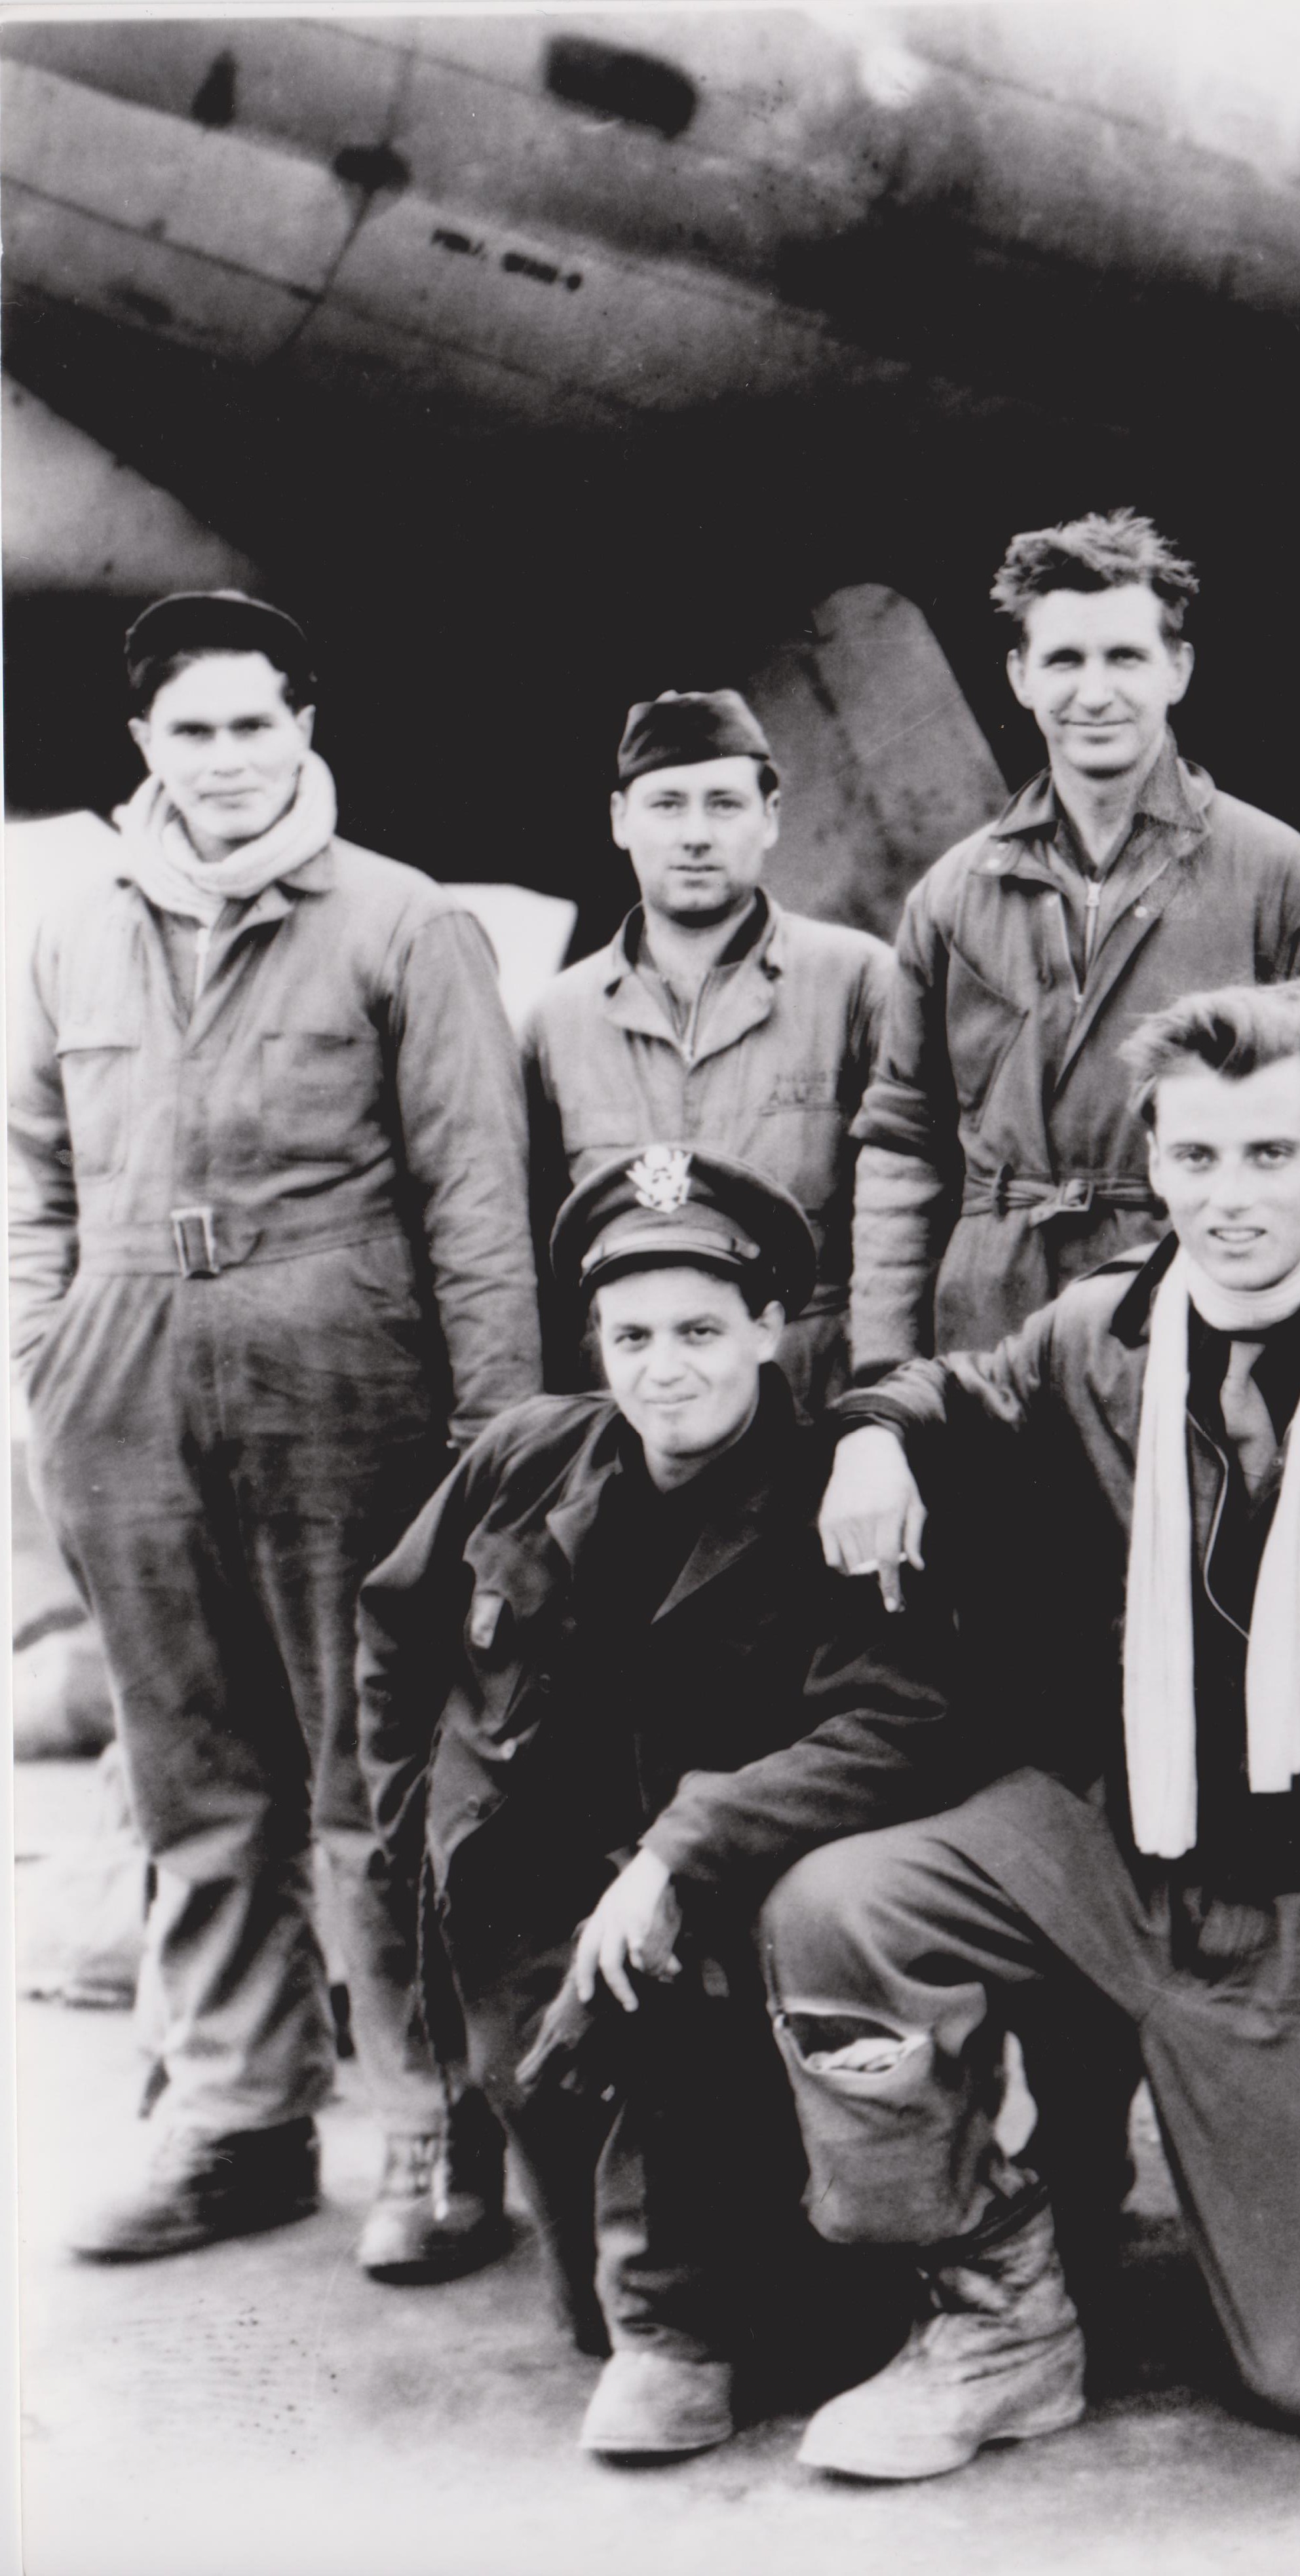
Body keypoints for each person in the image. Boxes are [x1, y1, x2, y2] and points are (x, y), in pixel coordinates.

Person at [769, 979, 1300, 2480]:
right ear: (1153, 1161)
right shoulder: (1100, 1334)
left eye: (1268, 1154)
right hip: (1132, 1834)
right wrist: (874, 1429)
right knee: (841, 1910)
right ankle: (998, 2308)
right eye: (1195, 1159)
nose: (1228, 1196)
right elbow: (953, 1381)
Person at [10, 591, 539, 2281]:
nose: (226, 759)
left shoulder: (403, 924)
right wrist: (50, 1361)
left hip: (342, 1367)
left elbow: (476, 1198)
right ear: (143, 746)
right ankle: (237, 2119)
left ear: (306, 725)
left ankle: (431, 2133)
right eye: (191, 729)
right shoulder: (72, 925)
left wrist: (494, 1441)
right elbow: (30, 1169)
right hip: (126, 1372)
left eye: (255, 722)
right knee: (189, 1769)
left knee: (365, 1770)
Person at [357, 1149, 976, 2460]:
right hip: (524, 1923)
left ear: (770, 1329)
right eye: (631, 1336)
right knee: (583, 2299)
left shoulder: (829, 1497)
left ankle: (675, 2332)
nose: (665, 1368)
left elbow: (902, 1716)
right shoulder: (533, 1455)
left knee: (735, 2313)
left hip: (705, 1923)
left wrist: (693, 1845)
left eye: (701, 1331)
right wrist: (419, 1821)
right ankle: (644, 2306)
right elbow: (399, 1627)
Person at [846, 508, 1300, 1377]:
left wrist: (1294, 1329)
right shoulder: (951, 898)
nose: (1094, 692)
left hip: (1207, 1325)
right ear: (1020, 675)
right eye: (1065, 660)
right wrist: (883, 1382)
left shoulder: (1293, 883)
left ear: (1177, 670)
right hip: (988, 1336)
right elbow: (903, 1149)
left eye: (1126, 657)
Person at [524, 691, 893, 1405]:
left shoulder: (857, 981)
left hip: (809, 1400)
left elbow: (902, 1223)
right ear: (619, 820)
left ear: (771, 818)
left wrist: (877, 1413)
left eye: (723, 804)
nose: (695, 835)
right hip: (632, 1413)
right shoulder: (554, 1021)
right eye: (667, 805)